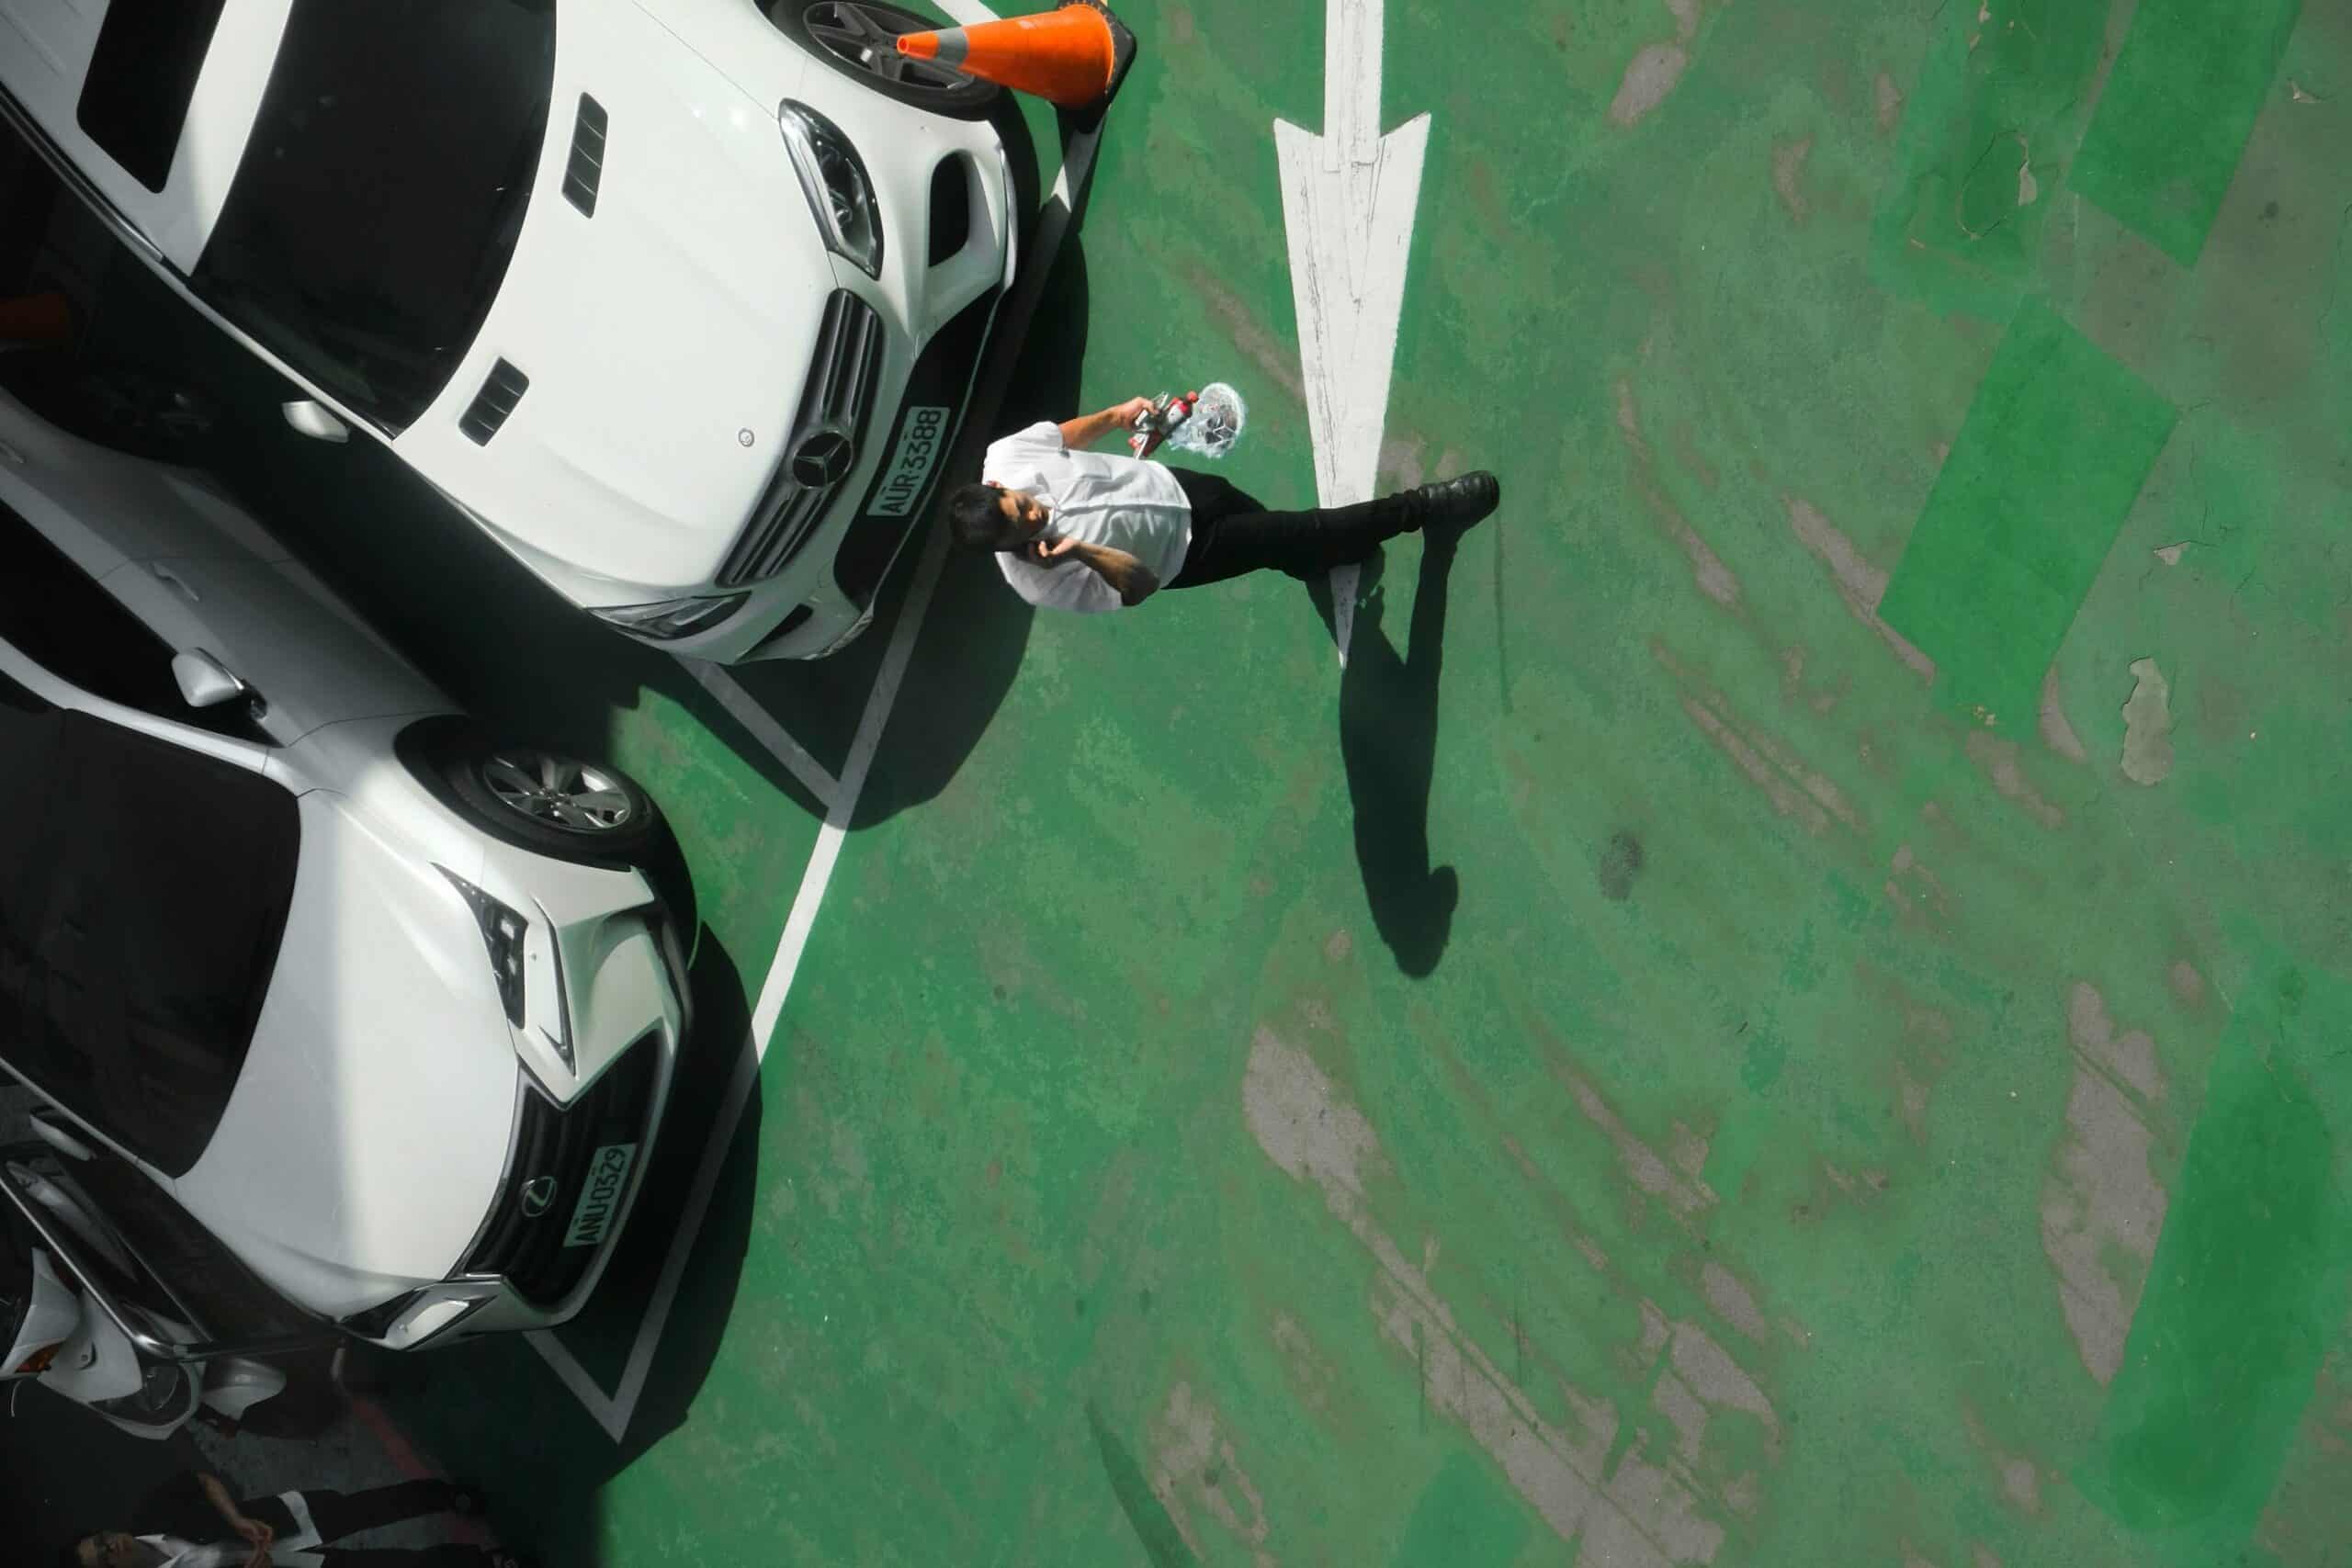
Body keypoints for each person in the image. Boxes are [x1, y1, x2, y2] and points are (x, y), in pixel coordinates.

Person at [946, 398, 1499, 612]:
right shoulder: (1038, 582)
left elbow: (1059, 437)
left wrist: (1116, 418)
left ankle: (1309, 561)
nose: (1035, 514)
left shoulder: (1007, 457)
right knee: (1300, 529)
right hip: (1186, 555)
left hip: (1175, 487)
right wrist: (1082, 554)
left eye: (1023, 505)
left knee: (1269, 526)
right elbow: (1138, 588)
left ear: (999, 487)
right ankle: (1424, 509)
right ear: (1006, 550)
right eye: (1024, 529)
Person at [60, 1471, 526, 1568]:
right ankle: (485, 1565)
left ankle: (445, 1494)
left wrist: (235, 1515)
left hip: (288, 1520)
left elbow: (201, 1480)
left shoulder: (152, 1513)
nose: (111, 1546)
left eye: (101, 1539)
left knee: (375, 1506)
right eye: (102, 1559)